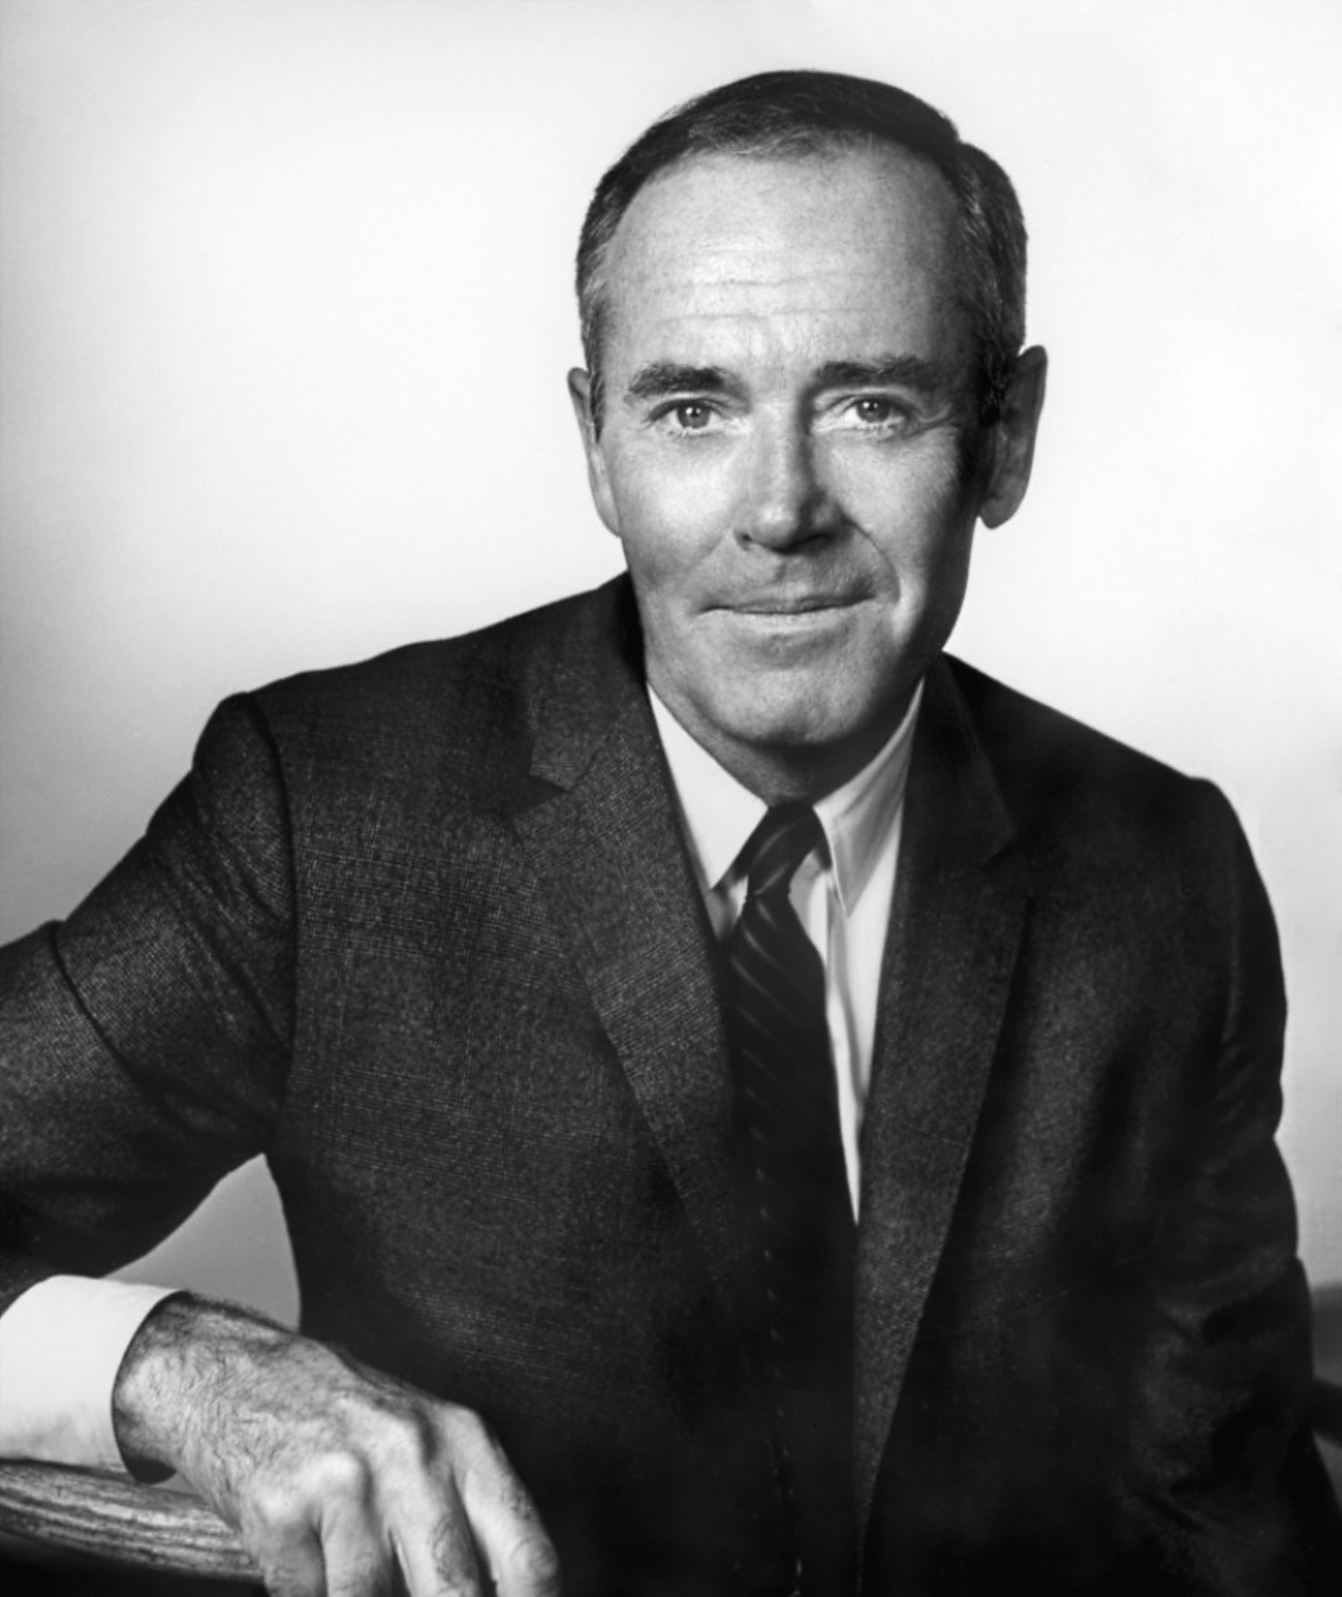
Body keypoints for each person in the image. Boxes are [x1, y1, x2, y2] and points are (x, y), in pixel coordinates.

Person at [0, 68, 1337, 1597]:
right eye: (692, 408)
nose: (779, 509)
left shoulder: (1157, 871)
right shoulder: (323, 816)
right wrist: (174, 1366)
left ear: (1004, 437)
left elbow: (1227, 1518)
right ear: (596, 444)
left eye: (870, 404)